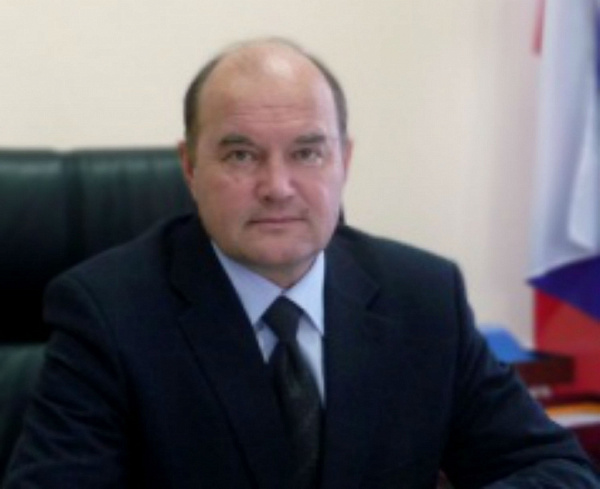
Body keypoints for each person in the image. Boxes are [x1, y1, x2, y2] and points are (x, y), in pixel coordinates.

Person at [4, 37, 599, 489]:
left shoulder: (422, 296)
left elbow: (556, 469)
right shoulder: (108, 312)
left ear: (345, 160)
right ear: (189, 167)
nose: (278, 187)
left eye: (308, 152)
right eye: (241, 155)